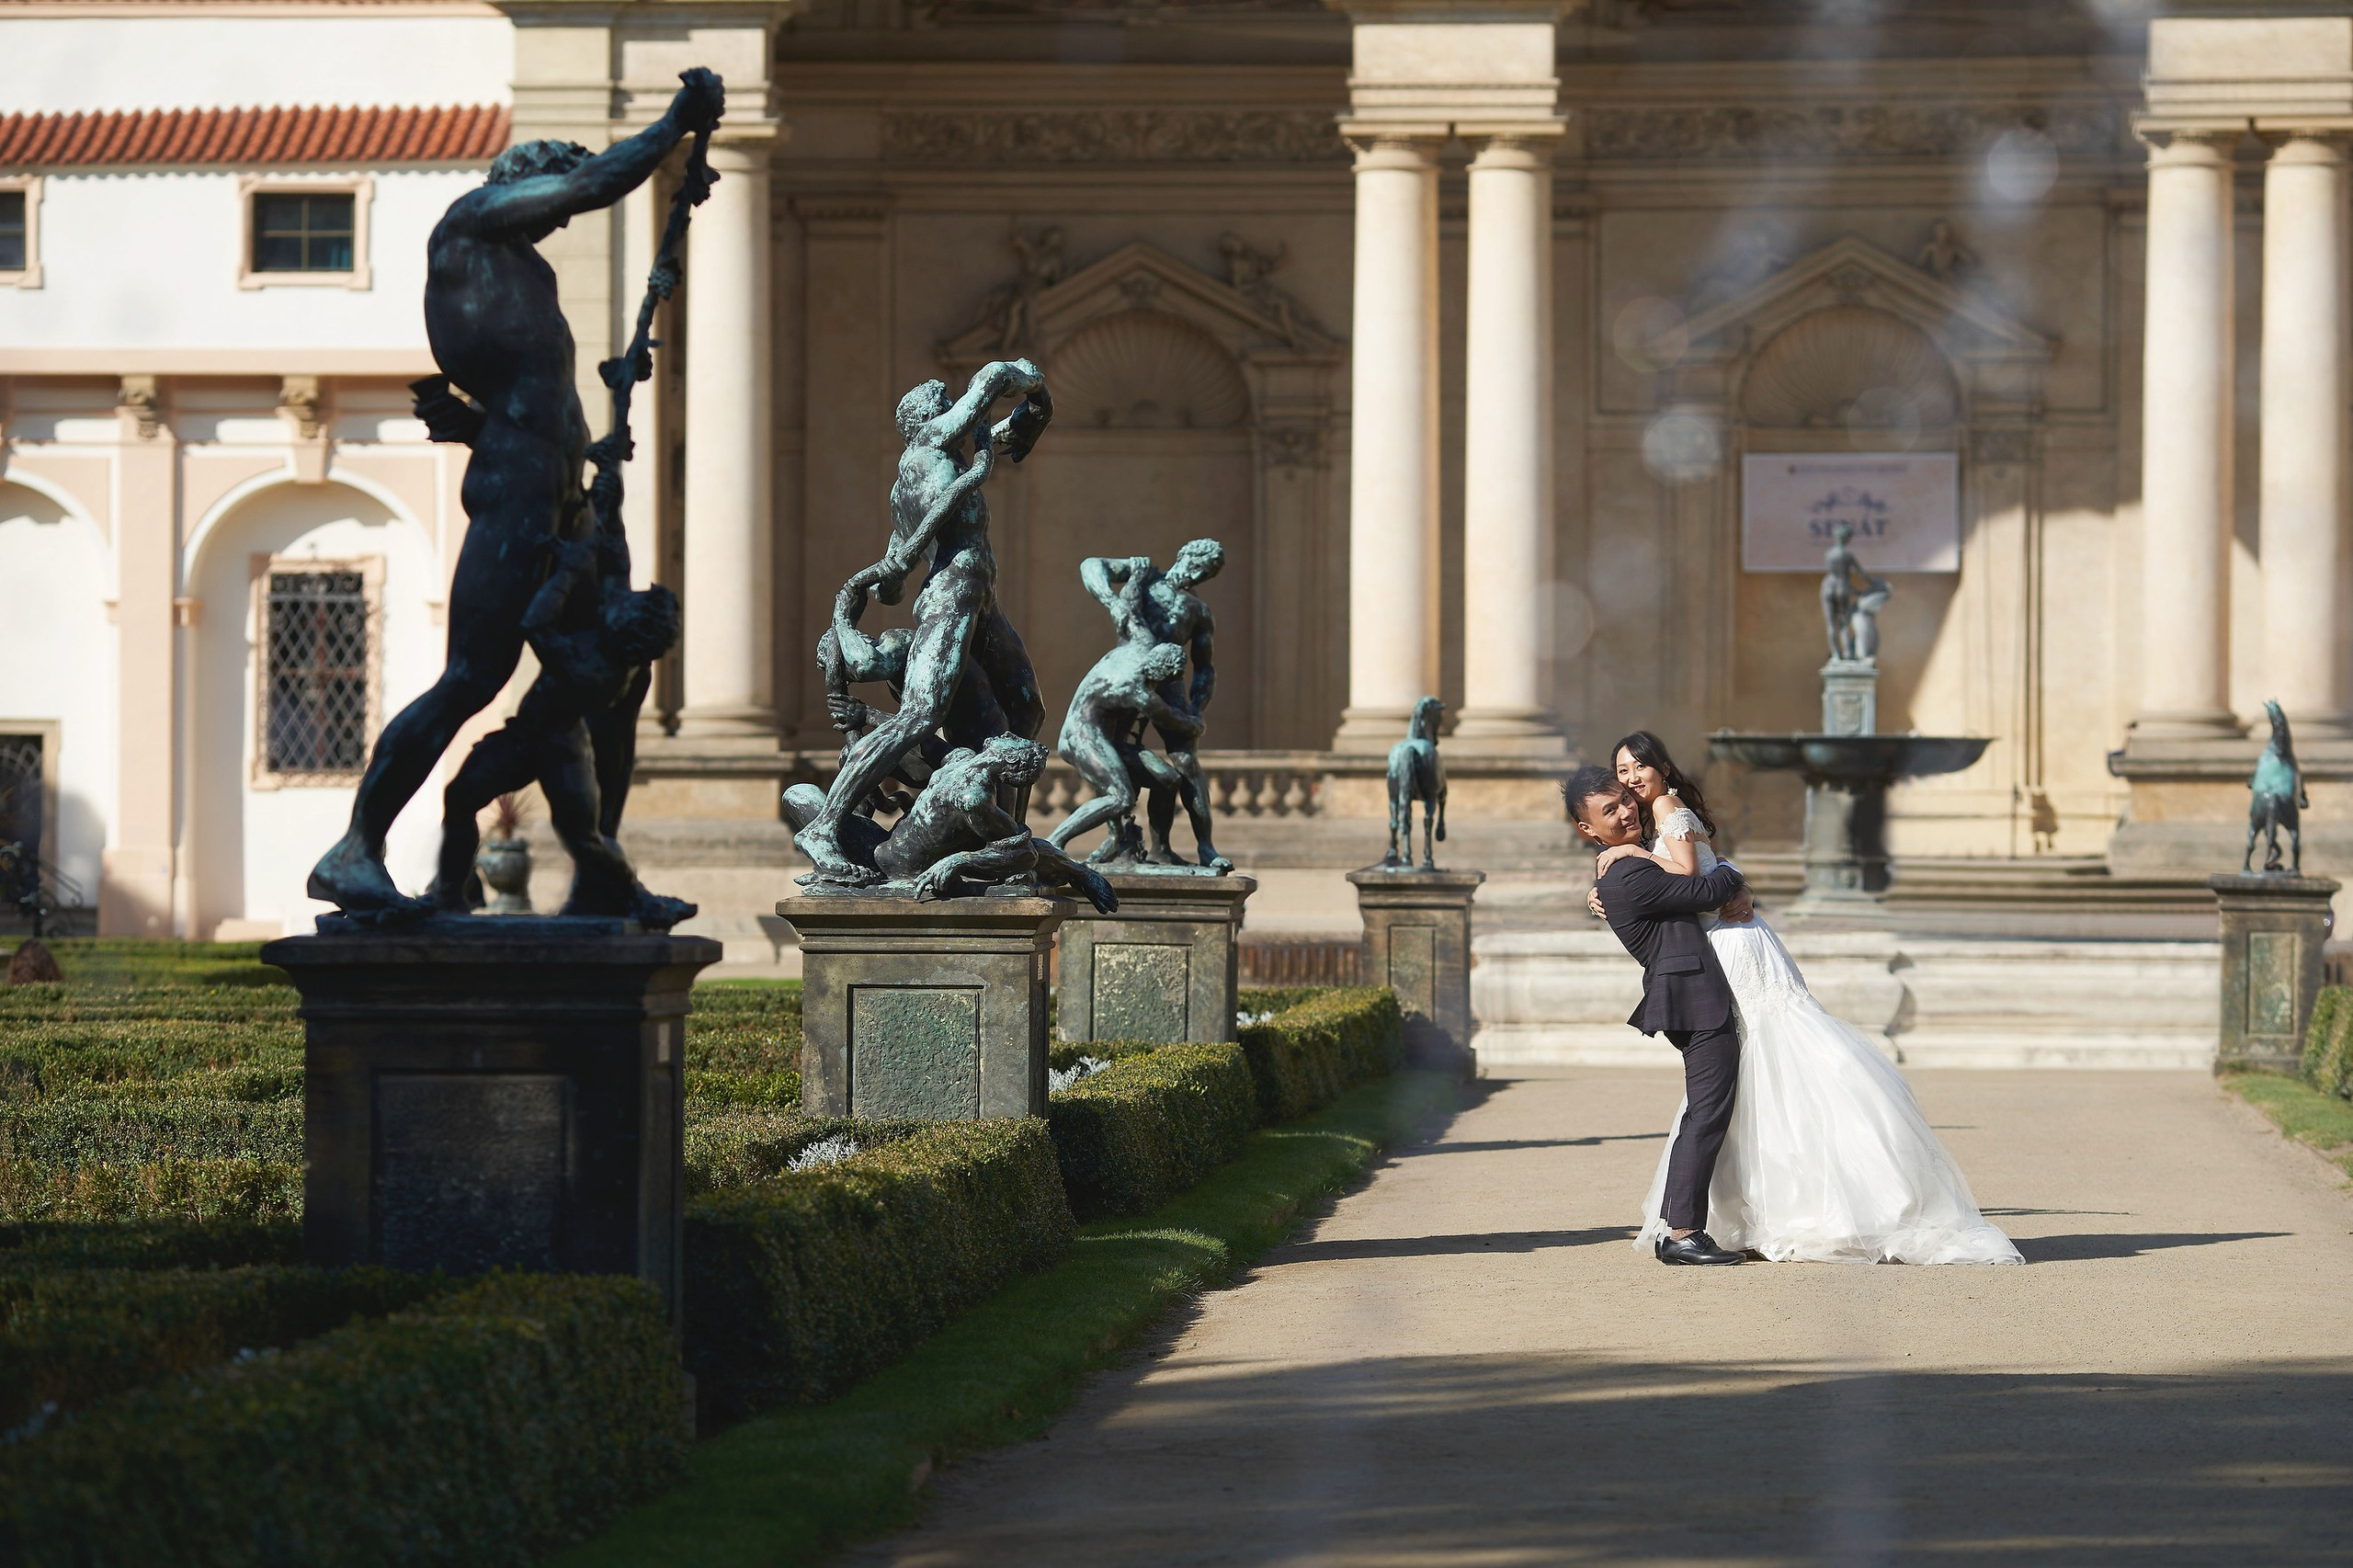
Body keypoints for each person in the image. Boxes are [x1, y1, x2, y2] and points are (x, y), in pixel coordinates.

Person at [308, 68, 727, 916]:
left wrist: (570, 451)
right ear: (522, 183)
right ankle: (355, 849)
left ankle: (602, 876)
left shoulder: (524, 271)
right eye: (554, 196)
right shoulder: (472, 223)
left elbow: (517, 391)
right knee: (470, 679)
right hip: (515, 502)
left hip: (559, 498)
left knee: (603, 690)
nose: (564, 213)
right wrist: (676, 126)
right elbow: (595, 180)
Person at [1594, 731, 2022, 1266]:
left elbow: (1687, 875)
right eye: (1623, 771)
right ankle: (1758, 1207)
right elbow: (1708, 868)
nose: (1632, 779)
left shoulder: (1665, 808)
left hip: (1731, 946)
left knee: (1764, 1058)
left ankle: (1769, 1208)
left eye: (1639, 767)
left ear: (1661, 767)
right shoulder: (1668, 811)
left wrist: (1628, 854)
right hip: (1729, 941)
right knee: (1751, 1071)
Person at [794, 362, 1051, 885]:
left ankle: (1005, 842)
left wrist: (1032, 415)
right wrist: (1027, 379)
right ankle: (824, 826)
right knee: (920, 713)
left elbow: (893, 574)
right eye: (937, 403)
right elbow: (992, 382)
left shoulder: (937, 469)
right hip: (952, 592)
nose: (944, 404)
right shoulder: (929, 446)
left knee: (1027, 708)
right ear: (922, 422)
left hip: (980, 595)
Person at [431, 536, 691, 926]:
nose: (621, 600)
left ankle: (640, 899)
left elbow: (536, 625)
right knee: (460, 796)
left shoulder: (597, 670)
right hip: (524, 736)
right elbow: (617, 568)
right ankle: (450, 893)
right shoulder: (610, 637)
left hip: (559, 749)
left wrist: (569, 571)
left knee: (584, 839)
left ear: (633, 627)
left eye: (631, 603)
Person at [1567, 764, 1754, 1267]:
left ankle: (1687, 1226)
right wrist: (1734, 873)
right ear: (1588, 829)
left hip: (1691, 993)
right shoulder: (1627, 875)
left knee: (1706, 1111)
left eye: (1625, 800)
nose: (1627, 810)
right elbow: (1708, 890)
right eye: (1610, 810)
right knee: (1706, 1113)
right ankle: (1683, 1233)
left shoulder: (1630, 865)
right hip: (1692, 998)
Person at [1077, 540, 1228, 869]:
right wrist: (1111, 602)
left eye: (1208, 573)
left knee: (1186, 764)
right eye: (1199, 563)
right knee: (1111, 754)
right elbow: (1091, 564)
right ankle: (1116, 839)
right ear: (1184, 555)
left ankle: (1201, 847)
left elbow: (1204, 667)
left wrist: (1196, 708)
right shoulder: (1144, 574)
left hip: (1170, 682)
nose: (1199, 573)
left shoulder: (1199, 611)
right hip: (1128, 668)